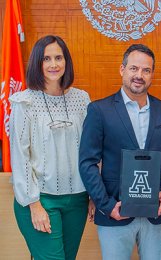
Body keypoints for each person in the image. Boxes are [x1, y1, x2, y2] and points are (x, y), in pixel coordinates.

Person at [79, 44, 161, 260]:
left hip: (156, 213)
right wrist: (106, 204)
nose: (139, 75)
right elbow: (87, 163)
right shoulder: (99, 110)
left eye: (146, 70)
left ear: (152, 75)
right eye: (134, 68)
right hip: (116, 212)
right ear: (122, 69)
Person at [9, 35, 92, 260]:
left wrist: (93, 195)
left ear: (67, 62)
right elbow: (20, 156)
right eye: (46, 59)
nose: (53, 64)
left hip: (77, 199)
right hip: (40, 200)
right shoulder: (23, 102)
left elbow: (90, 151)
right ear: (37, 63)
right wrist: (33, 204)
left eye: (58, 57)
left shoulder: (82, 99)